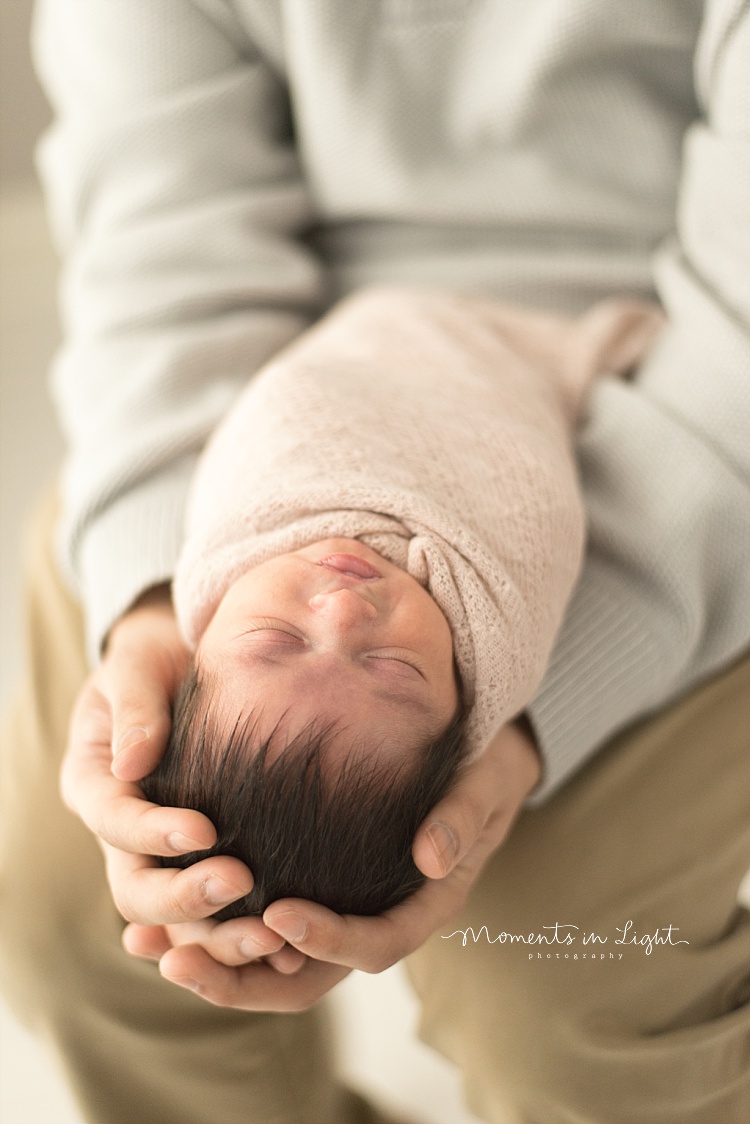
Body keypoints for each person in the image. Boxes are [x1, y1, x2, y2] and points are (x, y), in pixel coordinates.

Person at [1, 3, 749, 1123]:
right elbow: (165, 258)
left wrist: (544, 693)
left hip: (690, 408)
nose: (345, 612)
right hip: (261, 407)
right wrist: (163, 590)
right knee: (75, 915)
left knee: (563, 990)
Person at [143, 285, 661, 918]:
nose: (343, 609)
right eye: (391, 666)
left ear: (195, 639)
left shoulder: (231, 541)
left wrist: (137, 608)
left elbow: (295, 402)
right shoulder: (495, 598)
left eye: (275, 640)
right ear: (469, 706)